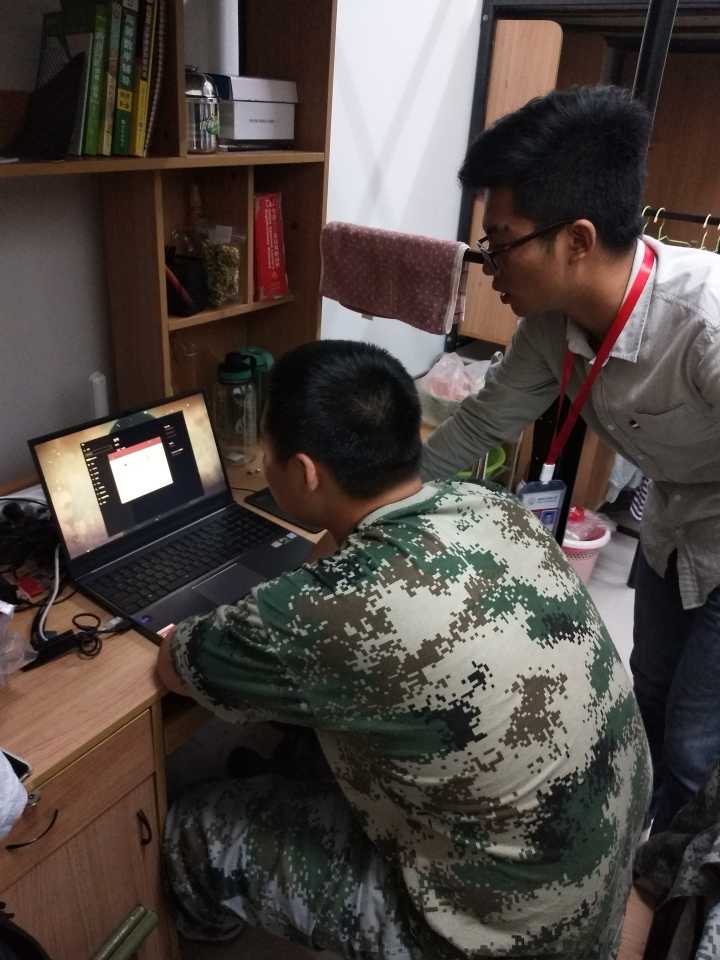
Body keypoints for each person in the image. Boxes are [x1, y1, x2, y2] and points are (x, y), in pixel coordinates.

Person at [158, 338, 650, 959]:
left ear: (305, 472)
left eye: (266, 450)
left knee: (195, 829)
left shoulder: (332, 608)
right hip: (597, 878)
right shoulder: (493, 507)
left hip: (505, 936)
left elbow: (180, 664)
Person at [422, 84, 720, 834]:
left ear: (577, 240)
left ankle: (667, 884)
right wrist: (379, 499)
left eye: (502, 242)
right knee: (649, 690)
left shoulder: (705, 325)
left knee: (696, 742)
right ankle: (632, 839)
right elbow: (481, 423)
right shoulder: (551, 329)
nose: (490, 266)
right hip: (672, 524)